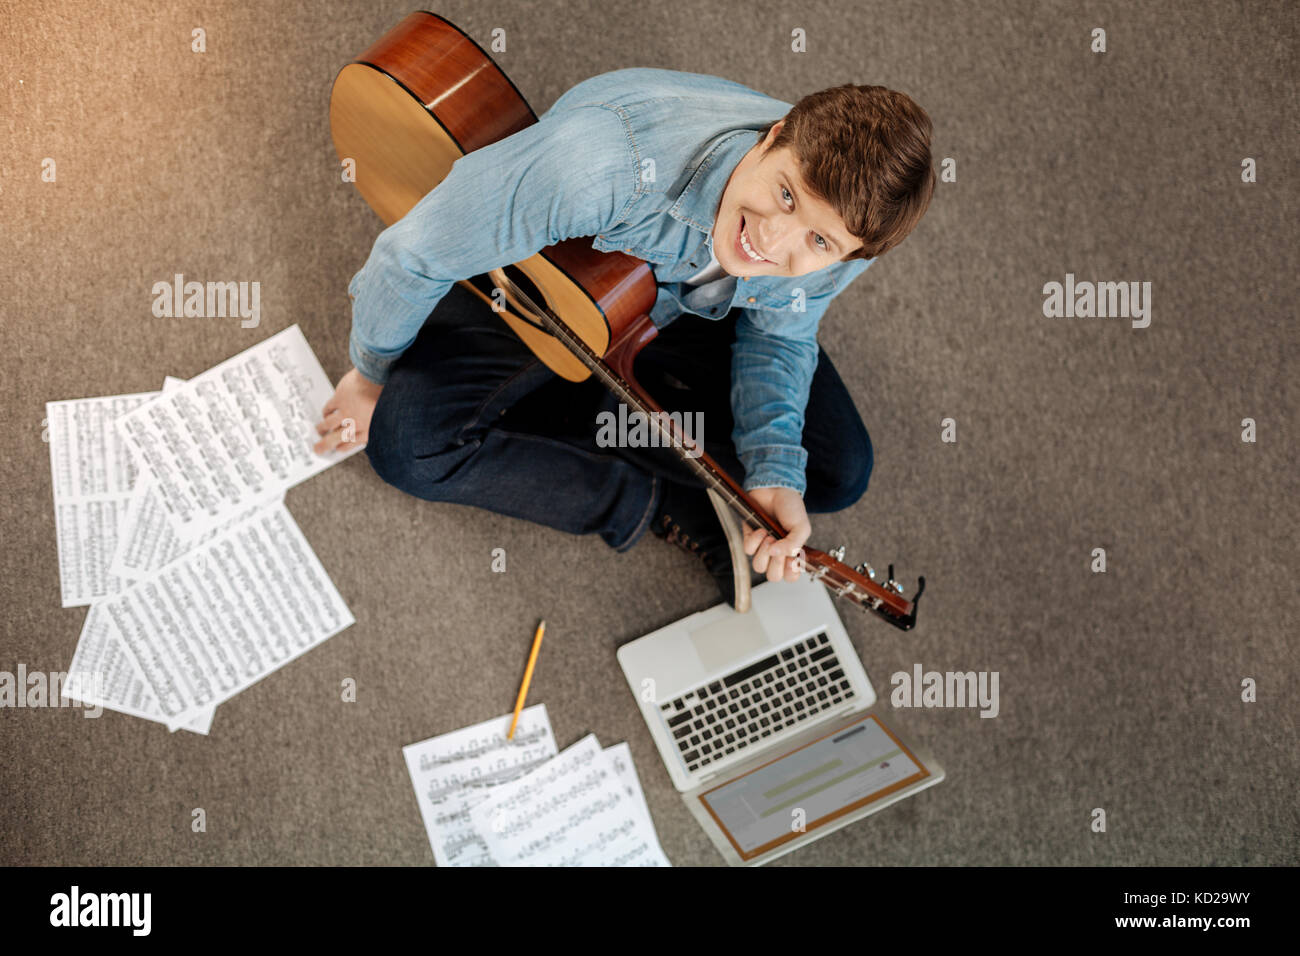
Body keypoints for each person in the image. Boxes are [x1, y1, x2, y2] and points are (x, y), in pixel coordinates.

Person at [313, 67, 934, 608]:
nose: (771, 241)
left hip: (685, 302)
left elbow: (781, 336)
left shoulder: (853, 232)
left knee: (835, 473)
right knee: (406, 447)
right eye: (785, 194)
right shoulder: (600, 166)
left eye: (817, 242)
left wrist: (772, 468)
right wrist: (369, 375)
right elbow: (411, 257)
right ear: (775, 137)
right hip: (567, 271)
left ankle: (602, 408)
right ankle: (651, 496)